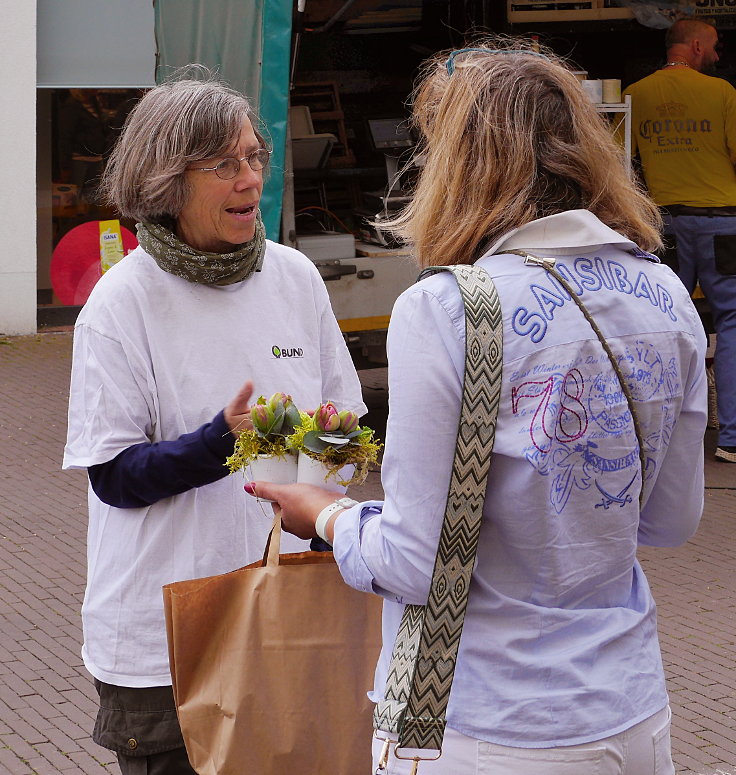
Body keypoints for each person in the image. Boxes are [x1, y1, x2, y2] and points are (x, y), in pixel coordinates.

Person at [249, 40, 707, 774]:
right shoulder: (665, 294)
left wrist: (324, 513)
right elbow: (670, 520)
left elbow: (411, 559)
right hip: (632, 711)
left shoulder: (447, 309)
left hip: (490, 721)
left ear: (461, 164)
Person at [62, 72, 366, 775]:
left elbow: (344, 430)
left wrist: (328, 457)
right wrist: (217, 443)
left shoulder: (294, 277)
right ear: (166, 178)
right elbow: (114, 476)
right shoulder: (123, 302)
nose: (248, 178)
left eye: (254, 157)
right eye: (224, 164)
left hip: (292, 616)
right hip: (168, 638)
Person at [624, 18, 736, 463]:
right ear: (694, 46)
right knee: (732, 324)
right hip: (722, 224)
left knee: (659, 327)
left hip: (664, 224)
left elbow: (620, 163)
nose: (718, 55)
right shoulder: (723, 93)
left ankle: (657, 437)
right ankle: (731, 437)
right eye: (713, 47)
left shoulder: (635, 94)